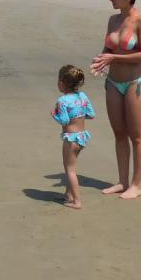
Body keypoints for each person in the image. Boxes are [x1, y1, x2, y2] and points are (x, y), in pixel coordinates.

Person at [91, 0, 141, 200]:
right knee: (119, 134)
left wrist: (114, 57)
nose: (111, 0)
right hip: (113, 83)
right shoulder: (112, 20)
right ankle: (122, 181)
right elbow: (107, 47)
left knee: (137, 136)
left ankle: (136, 184)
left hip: (135, 84)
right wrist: (100, 62)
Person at [52, 64, 96, 209]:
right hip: (82, 137)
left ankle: (77, 201)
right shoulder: (82, 96)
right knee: (71, 165)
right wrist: (79, 114)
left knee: (69, 169)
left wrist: (55, 115)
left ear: (62, 83)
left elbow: (64, 120)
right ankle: (68, 194)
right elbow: (91, 114)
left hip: (71, 138)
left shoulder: (62, 101)